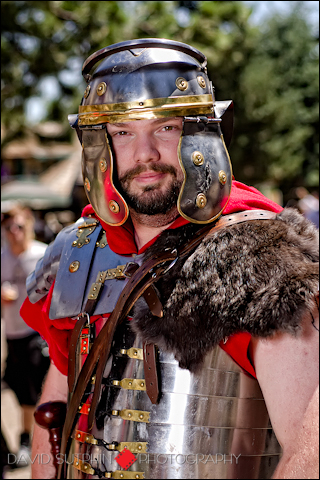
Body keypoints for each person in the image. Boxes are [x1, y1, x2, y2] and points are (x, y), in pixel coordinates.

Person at [20, 39, 319, 479]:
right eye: (123, 132)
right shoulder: (78, 254)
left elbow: (309, 455)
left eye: (166, 127)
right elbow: (56, 410)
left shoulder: (263, 258)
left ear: (202, 134)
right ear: (100, 145)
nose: (144, 155)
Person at [1, 204, 50, 468]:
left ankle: (26, 440)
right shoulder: (2, 258)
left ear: (29, 226)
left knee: (32, 390)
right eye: (8, 228)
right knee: (17, 386)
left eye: (18, 226)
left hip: (37, 334)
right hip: (12, 334)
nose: (13, 233)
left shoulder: (42, 255)